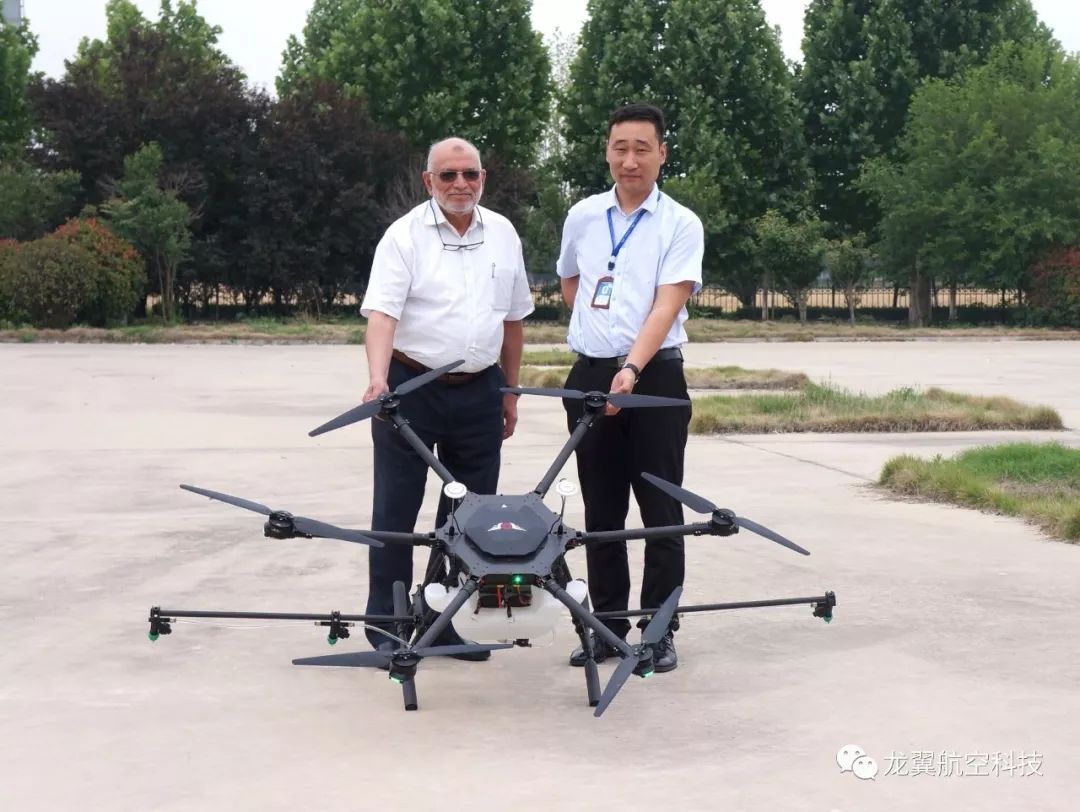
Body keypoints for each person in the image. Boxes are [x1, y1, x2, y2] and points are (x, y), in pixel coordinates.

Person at [359, 136, 534, 657]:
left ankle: (446, 623)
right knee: (395, 512)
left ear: (483, 178)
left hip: (481, 391)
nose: (460, 184)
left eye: (470, 174)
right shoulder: (403, 236)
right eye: (448, 175)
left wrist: (509, 392)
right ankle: (389, 628)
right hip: (411, 389)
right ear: (428, 181)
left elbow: (513, 322)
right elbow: (382, 316)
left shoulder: (503, 233)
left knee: (468, 519)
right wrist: (377, 379)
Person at [556, 103, 704, 673]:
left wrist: (631, 368)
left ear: (662, 154)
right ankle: (607, 627)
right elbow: (572, 279)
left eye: (642, 148)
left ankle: (659, 631)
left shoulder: (680, 223)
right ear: (607, 152)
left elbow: (667, 306)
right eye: (620, 148)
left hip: (653, 378)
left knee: (661, 509)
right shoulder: (584, 216)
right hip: (591, 377)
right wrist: (599, 344)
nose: (630, 160)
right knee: (602, 512)